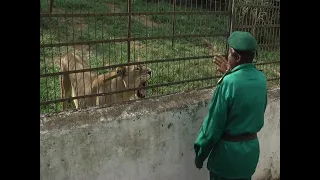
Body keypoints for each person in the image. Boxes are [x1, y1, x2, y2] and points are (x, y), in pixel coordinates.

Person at [194, 31, 268, 180]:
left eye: (230, 53)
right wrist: (230, 73)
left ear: (238, 57)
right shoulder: (261, 78)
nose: (227, 57)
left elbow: (212, 126)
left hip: (227, 158)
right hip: (250, 155)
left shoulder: (228, 83)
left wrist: (200, 153)